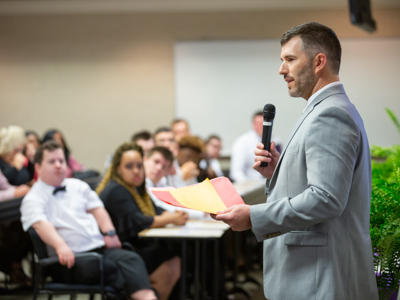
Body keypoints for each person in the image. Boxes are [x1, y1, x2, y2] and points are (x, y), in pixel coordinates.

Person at [214, 22, 378, 299]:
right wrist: (280, 170)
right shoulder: (322, 109)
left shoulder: (330, 114)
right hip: (315, 274)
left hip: (321, 277)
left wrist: (254, 217)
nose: (281, 70)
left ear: (318, 62)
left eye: (290, 59)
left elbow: (326, 199)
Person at [20, 140, 157, 300]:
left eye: (61, 160)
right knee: (109, 269)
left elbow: (98, 209)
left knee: (131, 258)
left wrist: (110, 233)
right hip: (67, 260)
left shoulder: (77, 186)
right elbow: (40, 224)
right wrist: (60, 245)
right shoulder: (33, 198)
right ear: (38, 167)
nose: (58, 165)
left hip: (97, 249)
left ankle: (148, 297)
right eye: (52, 161)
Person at [97, 142, 188, 300]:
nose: (136, 171)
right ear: (118, 169)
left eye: (139, 166)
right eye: (129, 166)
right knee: (171, 255)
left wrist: (173, 214)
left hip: (135, 245)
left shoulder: (135, 189)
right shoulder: (116, 190)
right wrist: (172, 218)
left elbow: (156, 211)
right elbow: (140, 221)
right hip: (121, 251)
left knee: (175, 251)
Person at [144, 146, 205, 219]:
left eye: (164, 167)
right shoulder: (142, 184)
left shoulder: (161, 183)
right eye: (156, 162)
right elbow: (160, 208)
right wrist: (201, 213)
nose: (159, 168)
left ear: (167, 171)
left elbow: (177, 202)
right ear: (144, 159)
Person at [230, 111, 281, 182]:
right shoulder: (242, 142)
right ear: (253, 124)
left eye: (265, 123)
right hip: (251, 184)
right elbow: (236, 172)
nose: (263, 126)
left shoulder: (276, 140)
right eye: (259, 123)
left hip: (273, 182)